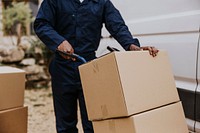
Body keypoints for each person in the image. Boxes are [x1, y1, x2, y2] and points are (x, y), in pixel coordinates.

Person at [34, 0, 159, 133]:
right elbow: (41, 24)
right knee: (65, 124)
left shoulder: (101, 2)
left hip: (89, 67)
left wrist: (131, 46)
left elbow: (117, 25)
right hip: (62, 67)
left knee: (94, 121)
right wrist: (59, 42)